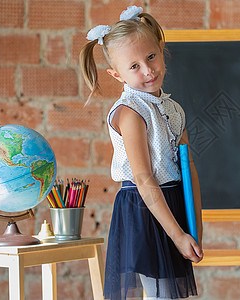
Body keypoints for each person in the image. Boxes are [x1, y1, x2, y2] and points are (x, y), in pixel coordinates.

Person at [80, 6, 203, 300]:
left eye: (151, 57)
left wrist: (195, 228)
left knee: (169, 295)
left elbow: (189, 170)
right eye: (134, 66)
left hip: (172, 203)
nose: (148, 70)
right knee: (162, 295)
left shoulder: (173, 109)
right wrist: (177, 234)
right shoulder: (130, 112)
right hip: (143, 207)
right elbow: (145, 178)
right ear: (116, 74)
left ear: (161, 50)